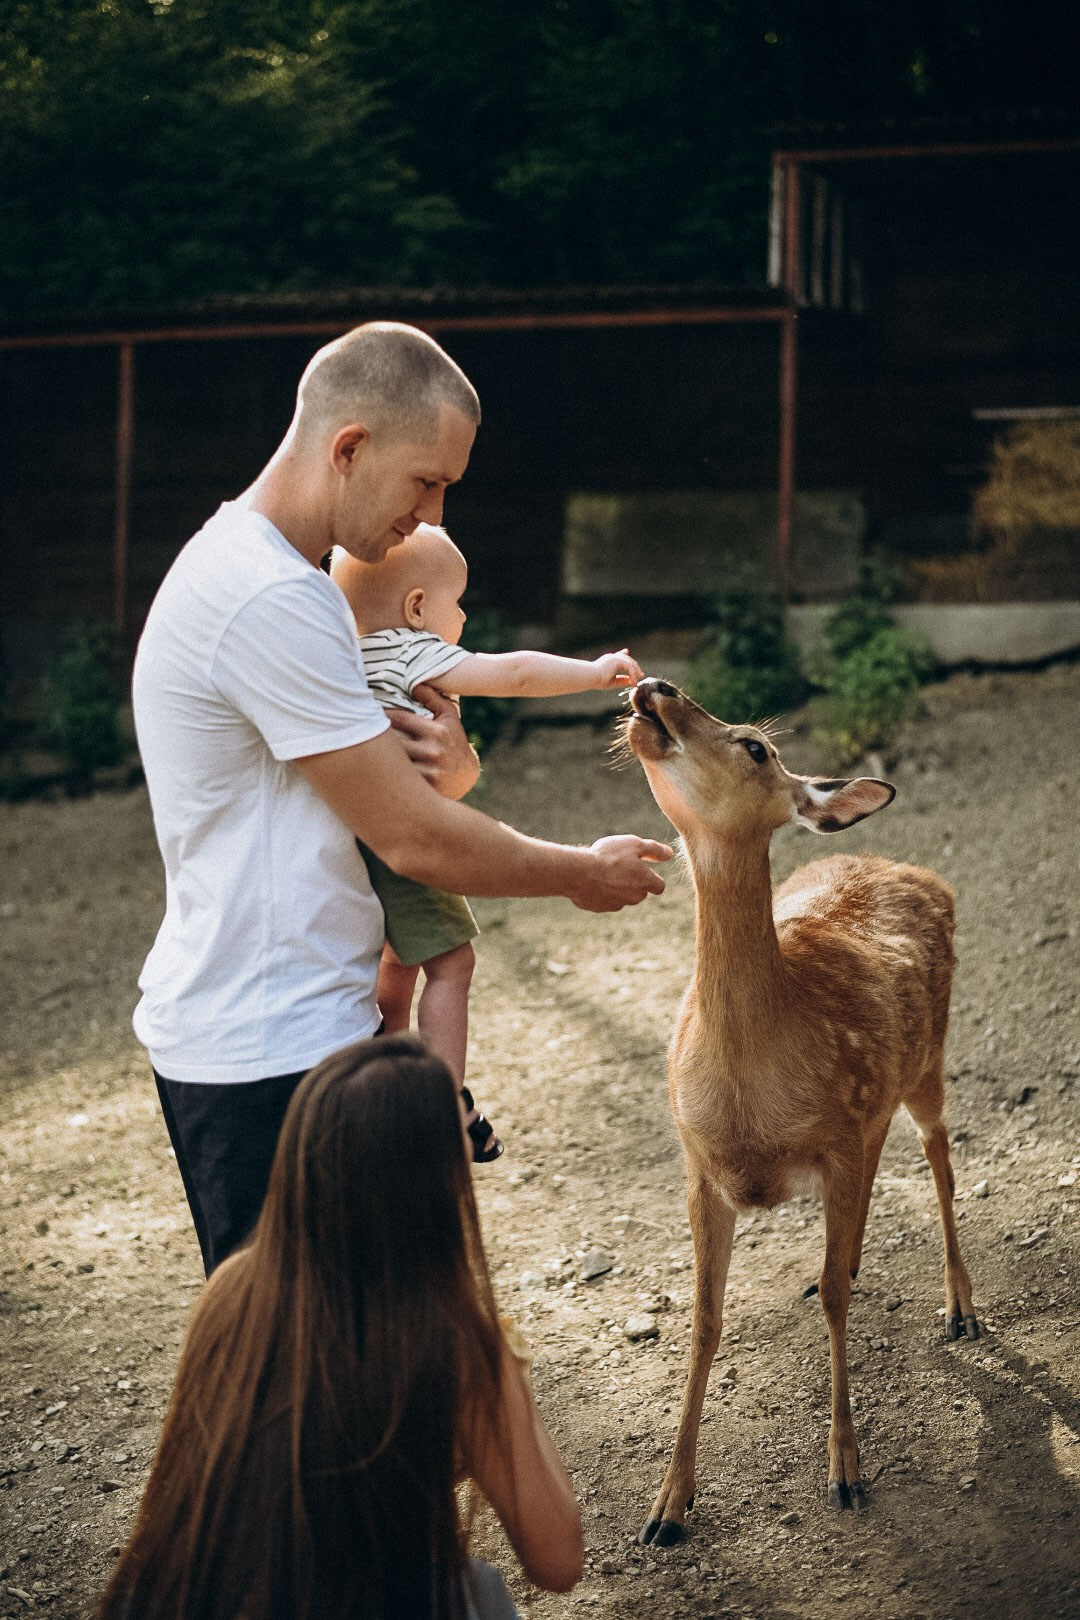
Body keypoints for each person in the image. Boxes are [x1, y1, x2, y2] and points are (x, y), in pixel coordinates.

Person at [132, 319, 672, 1276]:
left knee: (361, 1358)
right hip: (269, 1055)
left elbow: (377, 793)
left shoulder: (283, 585)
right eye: (427, 483)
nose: (428, 518)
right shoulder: (271, 598)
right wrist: (580, 873)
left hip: (300, 1028)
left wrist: (455, 772)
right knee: (305, 1375)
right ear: (350, 449)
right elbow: (415, 841)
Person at [98, 1035, 584, 1620]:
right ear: (430, 1185)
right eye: (465, 1139)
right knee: (482, 1594)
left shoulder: (230, 1291)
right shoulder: (455, 1345)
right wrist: (508, 1379)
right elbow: (559, 1562)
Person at [330, 522, 644, 1158]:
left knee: (397, 962)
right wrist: (592, 671)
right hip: (408, 833)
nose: (464, 615)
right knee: (453, 964)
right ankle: (443, 1097)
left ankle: (388, 1044)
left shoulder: (341, 654)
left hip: (351, 834)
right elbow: (517, 673)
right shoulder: (410, 648)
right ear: (417, 607)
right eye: (458, 602)